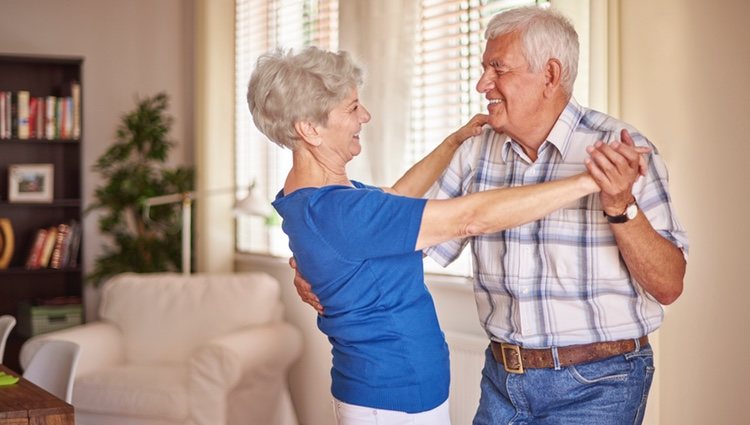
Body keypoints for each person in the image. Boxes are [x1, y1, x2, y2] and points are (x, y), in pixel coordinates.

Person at [292, 6, 689, 425]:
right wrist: (319, 261)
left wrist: (620, 206)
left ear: (550, 75)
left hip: (598, 383)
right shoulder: (476, 154)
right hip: (504, 380)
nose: (483, 84)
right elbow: (402, 234)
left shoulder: (620, 151)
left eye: (498, 69)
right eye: (484, 68)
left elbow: (668, 285)